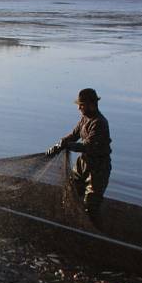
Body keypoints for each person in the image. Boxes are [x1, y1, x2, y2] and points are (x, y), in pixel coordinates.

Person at [46, 88, 112, 226]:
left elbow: (88, 146)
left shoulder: (99, 123)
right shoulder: (84, 119)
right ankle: (72, 223)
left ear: (91, 104)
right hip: (83, 163)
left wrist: (69, 146)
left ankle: (96, 231)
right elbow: (74, 135)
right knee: (71, 192)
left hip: (98, 167)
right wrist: (59, 144)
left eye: (81, 105)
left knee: (91, 205)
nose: (79, 108)